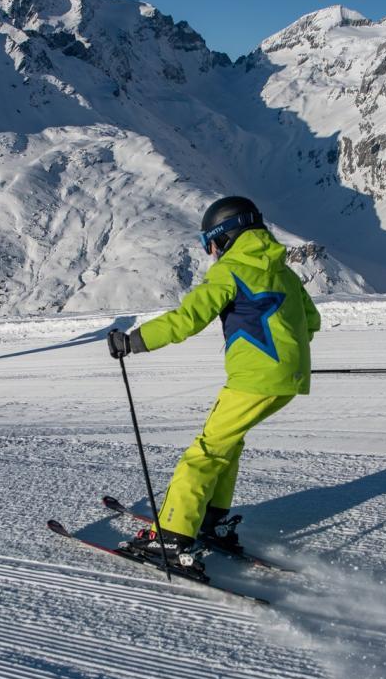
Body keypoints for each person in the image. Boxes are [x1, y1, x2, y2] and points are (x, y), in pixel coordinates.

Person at [107, 196, 320, 563]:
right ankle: (211, 519)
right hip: (289, 379)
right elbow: (311, 321)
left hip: (253, 380)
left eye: (210, 245)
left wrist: (132, 341)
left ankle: (172, 534)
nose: (211, 254)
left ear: (223, 238)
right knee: (228, 444)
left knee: (204, 453)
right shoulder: (283, 271)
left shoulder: (231, 270)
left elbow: (188, 318)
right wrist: (285, 358)